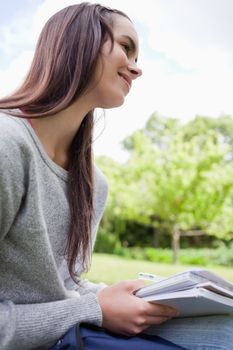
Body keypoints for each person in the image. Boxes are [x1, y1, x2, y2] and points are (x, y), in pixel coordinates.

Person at [0, 2, 232, 350]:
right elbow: (78, 305)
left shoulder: (93, 183)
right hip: (45, 341)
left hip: (68, 334)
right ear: (78, 42)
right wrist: (94, 308)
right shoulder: (8, 145)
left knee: (225, 329)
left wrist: (117, 295)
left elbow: (66, 285)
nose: (136, 69)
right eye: (126, 47)